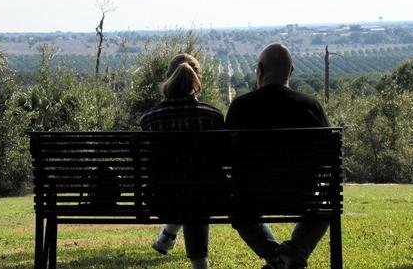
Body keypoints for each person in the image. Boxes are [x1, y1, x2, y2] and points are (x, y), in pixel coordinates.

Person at [225, 43, 329, 269]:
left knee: (238, 211)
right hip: (303, 195)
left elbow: (226, 158)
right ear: (290, 72)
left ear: (259, 70)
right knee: (326, 201)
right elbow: (327, 159)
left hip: (250, 198)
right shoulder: (311, 106)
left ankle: (277, 260)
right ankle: (288, 258)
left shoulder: (240, 107)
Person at [140, 53, 224, 269]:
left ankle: (168, 236)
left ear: (168, 77)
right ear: (198, 80)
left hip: (162, 199)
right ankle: (198, 262)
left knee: (184, 191)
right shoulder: (212, 116)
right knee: (196, 191)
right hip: (207, 198)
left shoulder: (150, 118)